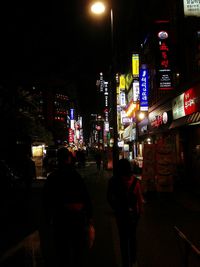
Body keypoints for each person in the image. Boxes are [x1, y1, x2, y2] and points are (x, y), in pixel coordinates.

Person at [42, 147, 94, 267]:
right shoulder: (76, 176)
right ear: (69, 159)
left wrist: (48, 217)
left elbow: (46, 200)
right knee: (77, 251)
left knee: (62, 252)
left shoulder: (52, 178)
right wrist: (89, 217)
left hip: (60, 218)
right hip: (77, 217)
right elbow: (86, 198)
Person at [107, 158, 144, 267]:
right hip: (134, 214)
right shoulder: (135, 181)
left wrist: (116, 208)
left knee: (123, 239)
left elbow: (109, 197)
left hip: (121, 214)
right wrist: (140, 212)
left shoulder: (113, 181)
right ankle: (133, 260)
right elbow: (139, 198)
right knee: (132, 237)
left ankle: (125, 262)